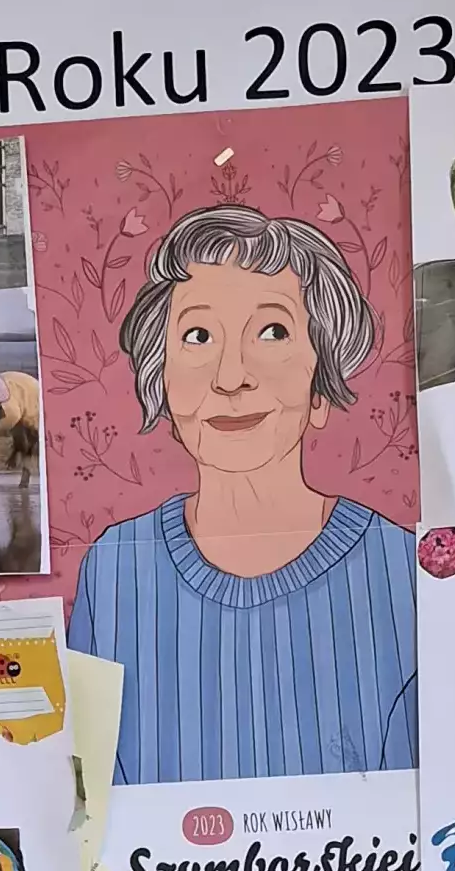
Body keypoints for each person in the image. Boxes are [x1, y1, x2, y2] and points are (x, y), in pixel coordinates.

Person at [64, 205, 417, 784]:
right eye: (198, 336)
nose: (231, 377)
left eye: (272, 332)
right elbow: (87, 800)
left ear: (321, 381)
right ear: (162, 380)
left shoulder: (400, 568)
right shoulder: (113, 570)